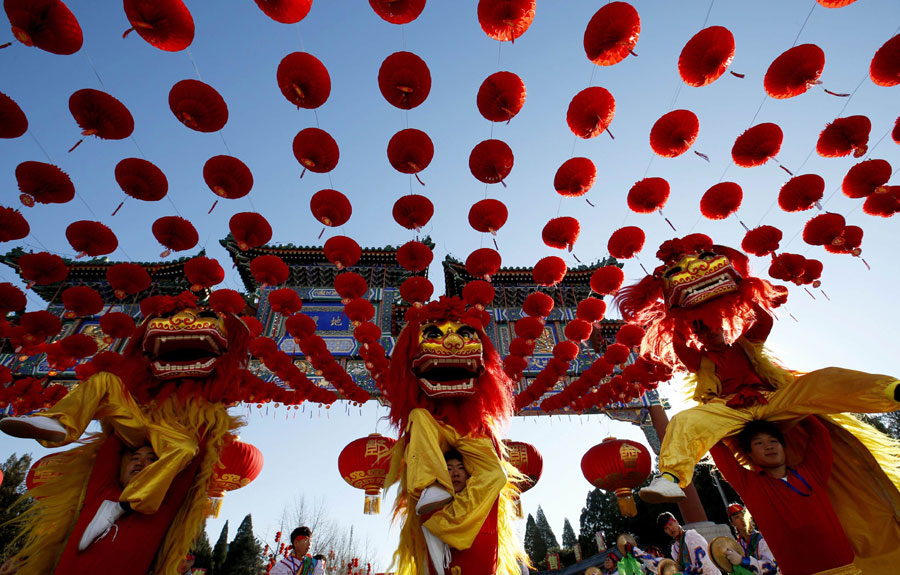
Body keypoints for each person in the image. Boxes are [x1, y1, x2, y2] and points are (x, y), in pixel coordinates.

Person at [710, 418, 861, 575]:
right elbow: (714, 443)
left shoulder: (812, 473)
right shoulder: (750, 484)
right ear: (749, 453)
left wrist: (787, 408)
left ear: (784, 446)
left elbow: (820, 433)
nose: (769, 446)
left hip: (846, 570)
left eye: (773, 441)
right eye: (759, 443)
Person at [724, 503, 777, 574]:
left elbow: (772, 568)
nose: (742, 519)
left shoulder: (763, 539)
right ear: (732, 523)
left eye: (744, 515)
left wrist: (742, 560)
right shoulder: (737, 546)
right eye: (737, 517)